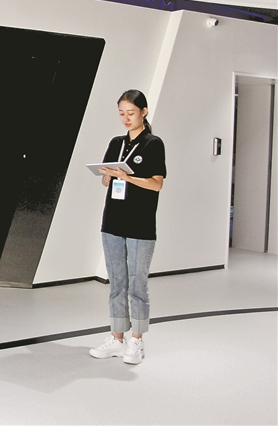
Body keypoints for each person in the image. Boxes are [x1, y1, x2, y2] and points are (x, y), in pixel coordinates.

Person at [89, 89, 166, 365]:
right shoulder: (116, 143)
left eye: (131, 113)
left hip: (140, 225)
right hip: (112, 221)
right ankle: (117, 338)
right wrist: (108, 177)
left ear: (143, 112)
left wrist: (127, 177)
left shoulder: (153, 144)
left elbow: (156, 184)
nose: (125, 118)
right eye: (121, 113)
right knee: (117, 283)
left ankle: (137, 340)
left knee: (137, 285)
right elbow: (106, 181)